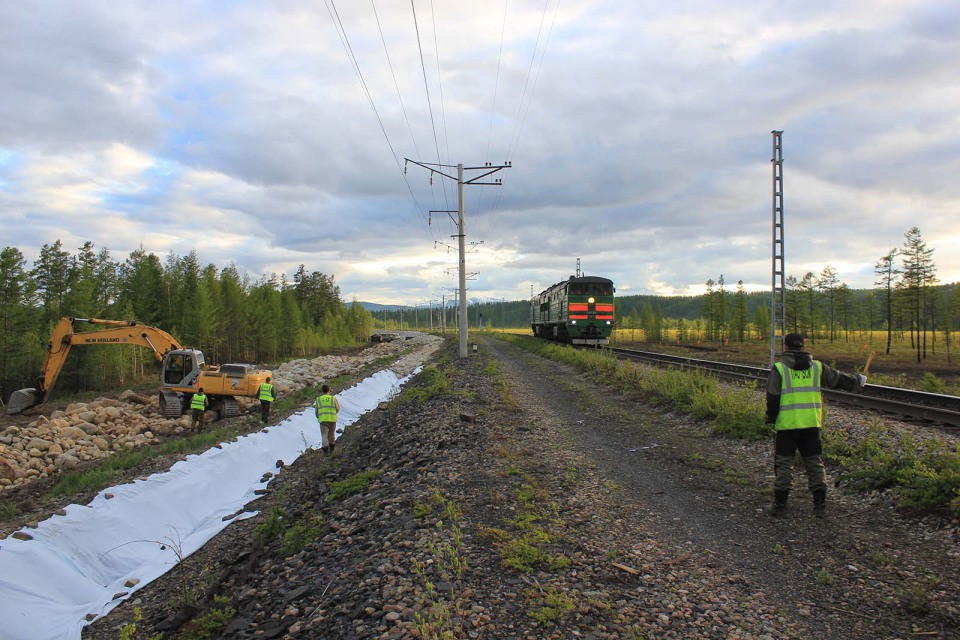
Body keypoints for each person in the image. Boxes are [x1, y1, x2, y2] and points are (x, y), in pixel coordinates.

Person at [765, 332, 867, 518]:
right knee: (814, 463)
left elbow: (773, 397)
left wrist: (771, 417)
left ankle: (780, 506)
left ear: (786, 347)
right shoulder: (817, 367)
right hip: (811, 424)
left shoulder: (779, 369)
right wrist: (858, 380)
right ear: (803, 347)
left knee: (784, 464)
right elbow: (837, 379)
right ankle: (820, 506)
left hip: (787, 426)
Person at [315, 384, 340, 454]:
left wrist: (318, 417)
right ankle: (332, 449)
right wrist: (334, 413)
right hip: (332, 419)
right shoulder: (333, 398)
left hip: (323, 420)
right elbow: (337, 408)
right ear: (329, 390)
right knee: (332, 434)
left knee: (324, 435)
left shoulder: (318, 399)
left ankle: (325, 450)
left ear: (322, 391)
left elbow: (316, 411)